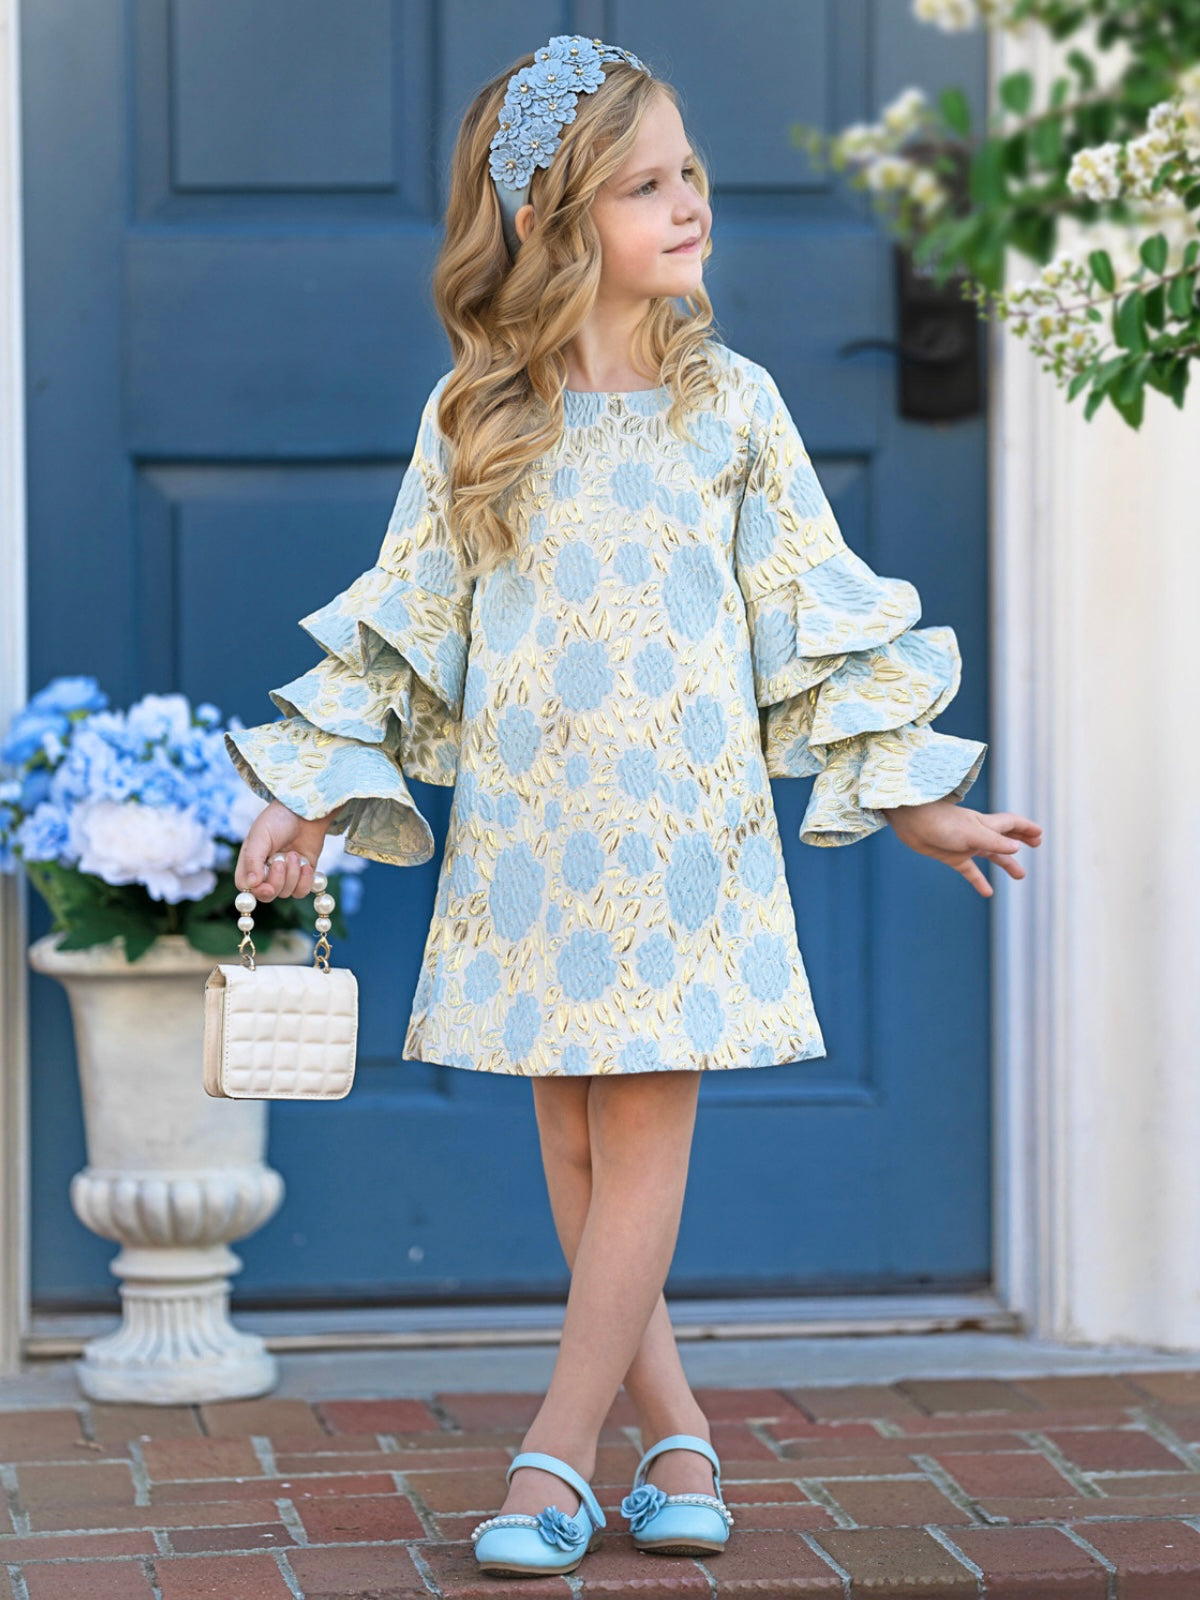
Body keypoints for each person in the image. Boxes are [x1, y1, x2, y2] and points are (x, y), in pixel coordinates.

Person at [227, 33, 1043, 1579]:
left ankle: (556, 1453)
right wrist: (308, 799)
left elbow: (812, 613)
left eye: (691, 173)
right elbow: (407, 619)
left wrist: (919, 803)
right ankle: (679, 1433)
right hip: (532, 837)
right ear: (550, 217)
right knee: (578, 1152)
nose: (691, 205)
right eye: (648, 184)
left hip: (680, 840)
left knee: (644, 1144)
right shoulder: (479, 416)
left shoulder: (730, 408)